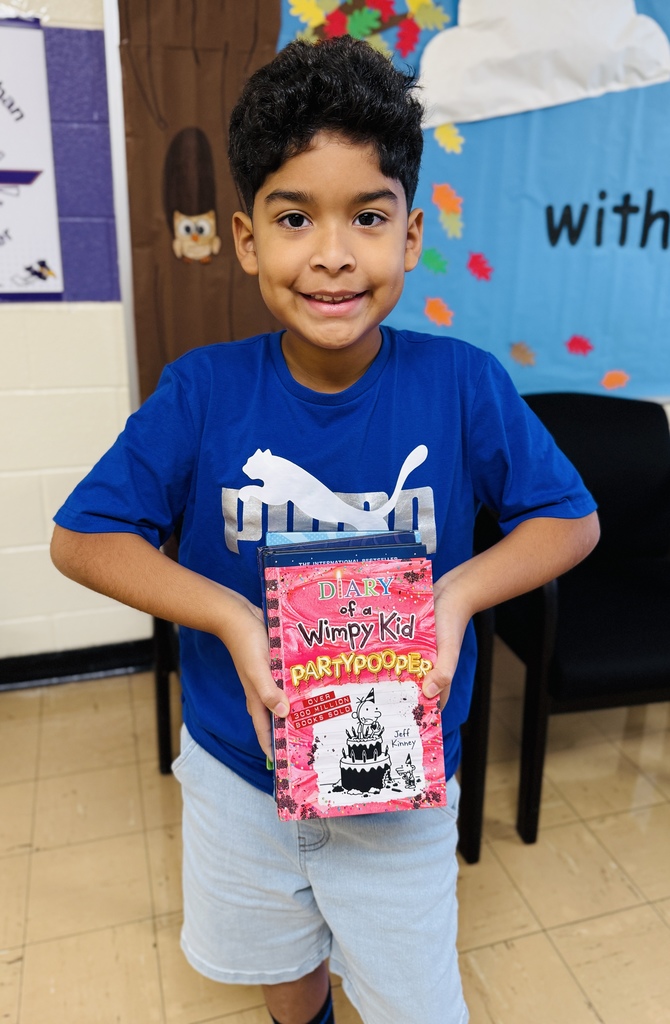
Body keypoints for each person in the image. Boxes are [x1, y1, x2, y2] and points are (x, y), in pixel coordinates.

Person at [50, 36, 599, 1024]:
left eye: (368, 217)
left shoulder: (462, 384)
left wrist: (455, 597)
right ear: (247, 238)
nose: (333, 253)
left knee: (411, 998)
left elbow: (570, 519)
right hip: (240, 775)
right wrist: (234, 619)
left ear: (411, 234)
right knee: (284, 969)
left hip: (401, 785)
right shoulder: (202, 391)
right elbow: (84, 537)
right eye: (295, 217)